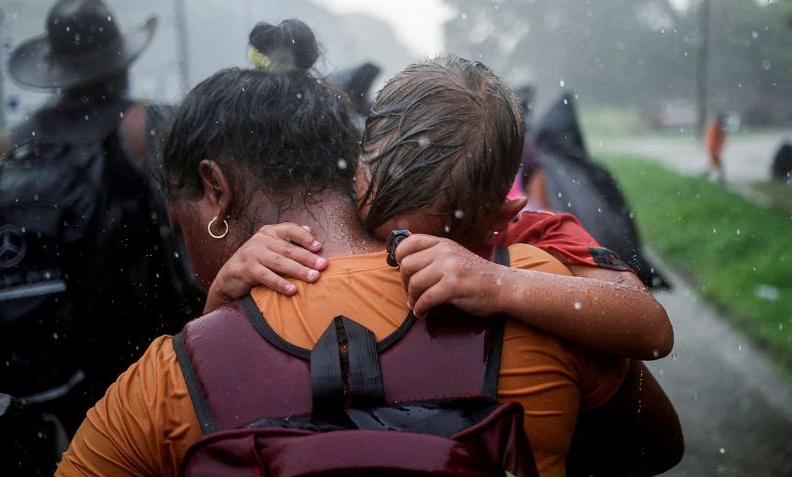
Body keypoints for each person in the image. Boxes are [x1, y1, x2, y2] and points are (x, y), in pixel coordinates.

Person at [58, 21, 682, 477]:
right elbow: (655, 448)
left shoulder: (177, 374)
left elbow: (650, 323)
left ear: (216, 191)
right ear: (353, 168)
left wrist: (213, 328)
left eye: (179, 221)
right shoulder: (538, 295)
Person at [0, 0, 202, 472]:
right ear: (120, 62)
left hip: (35, 373)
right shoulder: (142, 125)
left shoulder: (9, 146)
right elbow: (192, 227)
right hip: (131, 356)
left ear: (54, 67)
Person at [705, 112, 728, 183]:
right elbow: (713, 140)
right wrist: (716, 149)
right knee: (719, 165)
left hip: (713, 149)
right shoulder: (716, 127)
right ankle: (721, 180)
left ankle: (706, 177)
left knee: (713, 165)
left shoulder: (716, 127)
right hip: (714, 150)